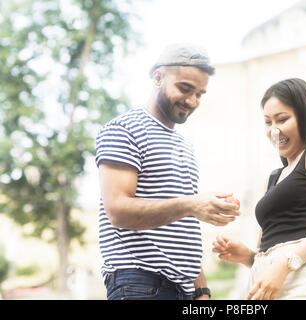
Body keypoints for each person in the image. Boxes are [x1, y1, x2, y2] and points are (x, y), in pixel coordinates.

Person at [95, 43, 240, 300]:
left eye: (200, 94)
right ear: (158, 77)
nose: (192, 101)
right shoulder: (124, 129)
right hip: (139, 283)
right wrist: (191, 205)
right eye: (184, 89)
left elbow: (184, 226)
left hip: (183, 290)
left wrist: (201, 291)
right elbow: (117, 210)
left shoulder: (184, 144)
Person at [212, 78, 306, 300]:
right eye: (268, 122)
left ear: (304, 116)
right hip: (269, 285)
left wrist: (286, 264)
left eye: (282, 119)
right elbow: (272, 250)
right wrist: (248, 256)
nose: (274, 131)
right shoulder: (275, 177)